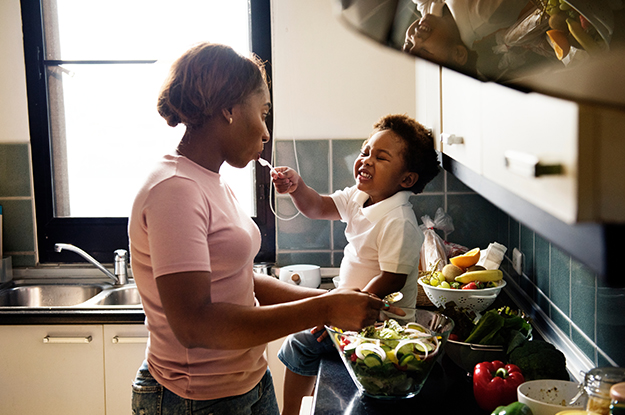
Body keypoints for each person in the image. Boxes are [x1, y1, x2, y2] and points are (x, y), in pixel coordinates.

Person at [128, 42, 393, 415]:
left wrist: (325, 305)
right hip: (193, 400)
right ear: (229, 110)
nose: (266, 132)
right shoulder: (173, 189)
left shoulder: (210, 180)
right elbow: (195, 324)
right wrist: (327, 308)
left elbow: (239, 280)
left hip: (247, 382)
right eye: (263, 112)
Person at [271, 113, 441, 415]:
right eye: (365, 151)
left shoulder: (398, 220)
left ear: (406, 179)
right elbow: (318, 206)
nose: (366, 160)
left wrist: (340, 311)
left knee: (300, 343)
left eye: (381, 157)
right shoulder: (360, 197)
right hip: (349, 312)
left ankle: (289, 413)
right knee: (304, 341)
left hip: (378, 324)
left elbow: (392, 280)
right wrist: (297, 187)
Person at [403, 0, 533, 74]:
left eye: (408, 44)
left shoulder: (431, 13)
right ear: (459, 53)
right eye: (424, 51)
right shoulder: (482, 12)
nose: (415, 38)